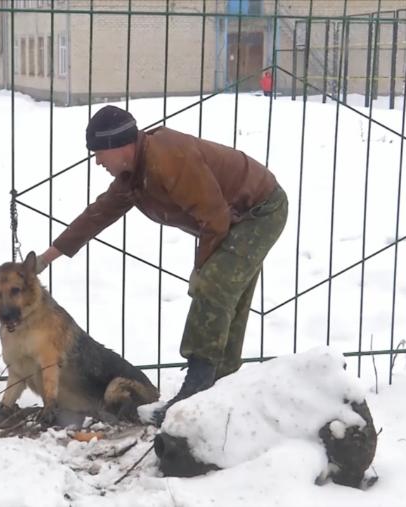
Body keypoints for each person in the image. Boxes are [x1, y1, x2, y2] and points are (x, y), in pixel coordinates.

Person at [35, 105, 288, 424]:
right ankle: (221, 390)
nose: (98, 161)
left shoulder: (168, 159)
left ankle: (196, 388)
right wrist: (46, 258)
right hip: (231, 217)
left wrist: (202, 269)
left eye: (99, 153)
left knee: (214, 286)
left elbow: (215, 219)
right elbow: (98, 215)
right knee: (226, 298)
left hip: (259, 211)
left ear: (120, 146)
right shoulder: (134, 175)